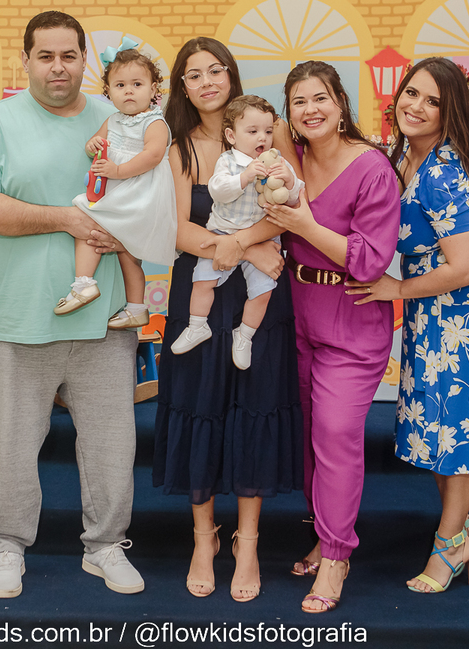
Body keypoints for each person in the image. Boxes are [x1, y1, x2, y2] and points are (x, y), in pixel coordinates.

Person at [0, 11, 144, 599]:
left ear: (86, 59)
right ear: (26, 61)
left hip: (103, 322)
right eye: (46, 56)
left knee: (112, 447)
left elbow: (147, 194)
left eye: (69, 55)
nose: (58, 67)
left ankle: (105, 545)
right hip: (14, 321)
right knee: (10, 448)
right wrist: (66, 219)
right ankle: (8, 546)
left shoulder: (118, 119)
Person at [350, 56, 469, 594]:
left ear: (451, 115)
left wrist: (396, 290)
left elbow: (466, 266)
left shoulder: (443, 170)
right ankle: (465, 530)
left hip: (468, 311)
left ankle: (447, 546)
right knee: (443, 429)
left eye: (433, 102)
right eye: (411, 93)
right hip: (436, 308)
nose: (417, 107)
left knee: (461, 432)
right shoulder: (404, 158)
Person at [154, 37, 304, 603]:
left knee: (253, 406)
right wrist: (242, 248)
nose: (207, 82)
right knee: (201, 406)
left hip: (259, 293)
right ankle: (204, 538)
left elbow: (291, 211)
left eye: (216, 70)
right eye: (194, 74)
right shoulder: (177, 146)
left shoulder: (269, 135)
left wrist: (248, 244)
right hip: (200, 288)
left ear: (232, 74)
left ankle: (248, 542)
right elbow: (177, 229)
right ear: (183, 86)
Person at [262, 61, 401, 613]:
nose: (311, 109)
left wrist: (303, 225)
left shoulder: (371, 168)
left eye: (320, 97)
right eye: (299, 101)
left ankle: (339, 555)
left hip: (353, 315)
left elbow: (369, 261)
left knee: (337, 432)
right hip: (296, 313)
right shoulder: (290, 158)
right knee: (307, 436)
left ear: (341, 103)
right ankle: (324, 535)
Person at [171, 95, 302, 369]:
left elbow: (294, 202)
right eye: (253, 132)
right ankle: (197, 325)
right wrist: (244, 177)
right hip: (222, 232)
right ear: (232, 136)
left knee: (263, 292)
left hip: (264, 239)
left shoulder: (278, 163)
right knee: (202, 281)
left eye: (268, 131)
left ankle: (244, 335)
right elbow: (218, 190)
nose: (262, 138)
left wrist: (290, 182)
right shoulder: (228, 161)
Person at [54, 46, 176, 329]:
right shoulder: (113, 120)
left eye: (137, 84)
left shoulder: (154, 122)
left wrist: (118, 171)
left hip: (140, 195)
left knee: (88, 219)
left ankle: (85, 283)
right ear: (108, 92)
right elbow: (94, 145)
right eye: (120, 85)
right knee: (126, 254)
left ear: (153, 89)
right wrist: (92, 144)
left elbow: (153, 155)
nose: (129, 91)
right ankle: (135, 307)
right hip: (120, 192)